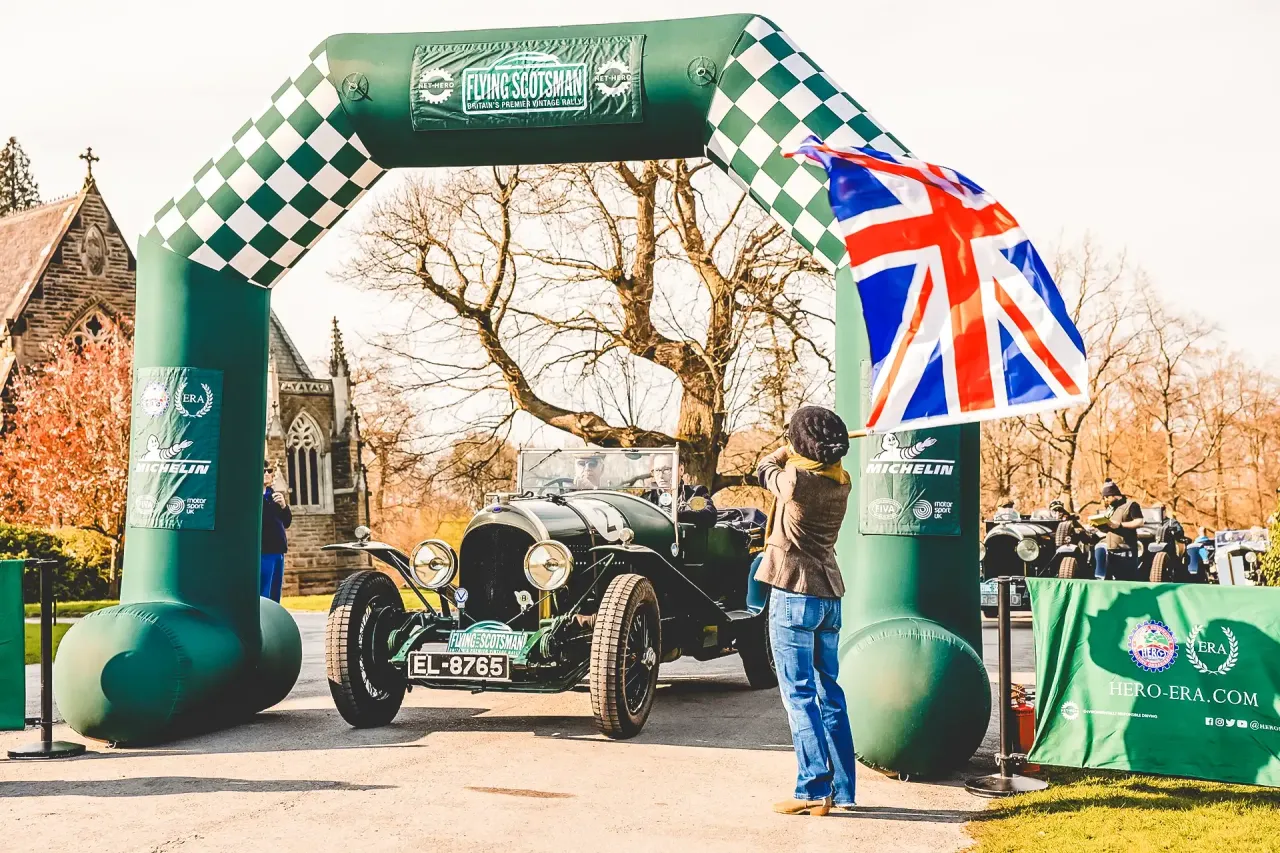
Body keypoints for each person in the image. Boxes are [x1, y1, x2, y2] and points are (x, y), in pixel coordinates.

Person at [754, 406, 856, 816]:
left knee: (798, 695)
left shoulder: (795, 480)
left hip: (794, 593)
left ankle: (813, 789)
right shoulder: (842, 481)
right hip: (829, 594)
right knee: (829, 693)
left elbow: (763, 468)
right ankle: (841, 791)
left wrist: (784, 449)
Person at [643, 452, 716, 527]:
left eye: (666, 469)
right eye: (657, 470)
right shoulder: (647, 499)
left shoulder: (695, 492)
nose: (661, 476)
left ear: (681, 469)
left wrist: (677, 516)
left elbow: (710, 516)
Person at [1093, 479, 1143, 580]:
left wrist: (1120, 525)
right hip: (1111, 553)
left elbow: (1140, 522)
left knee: (1127, 583)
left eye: (1106, 497)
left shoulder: (1131, 505)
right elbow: (1111, 528)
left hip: (1126, 553)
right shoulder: (1110, 509)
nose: (1105, 500)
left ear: (1114, 495)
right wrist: (1101, 527)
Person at [261, 462, 292, 601]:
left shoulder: (274, 496)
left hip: (278, 550)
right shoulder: (253, 498)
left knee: (275, 592)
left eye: (269, 470)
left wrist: (284, 506)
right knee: (264, 592)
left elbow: (287, 522)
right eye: (263, 471)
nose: (267, 473)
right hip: (264, 551)